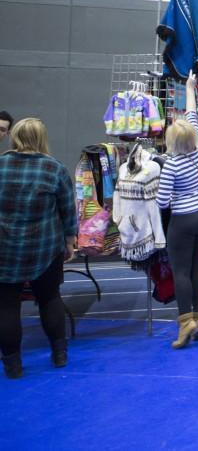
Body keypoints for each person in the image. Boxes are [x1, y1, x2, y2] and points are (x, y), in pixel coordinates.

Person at [0, 118, 77, 379]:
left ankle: (13, 365)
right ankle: (59, 354)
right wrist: (69, 242)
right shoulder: (54, 169)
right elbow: (68, 211)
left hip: (4, 250)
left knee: (7, 307)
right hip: (45, 248)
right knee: (50, 299)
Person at [156, 72, 198, 348]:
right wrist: (190, 86)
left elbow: (162, 203)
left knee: (180, 272)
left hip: (184, 220)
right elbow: (192, 112)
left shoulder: (171, 165)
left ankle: (185, 323)